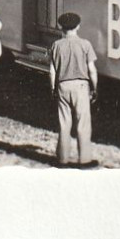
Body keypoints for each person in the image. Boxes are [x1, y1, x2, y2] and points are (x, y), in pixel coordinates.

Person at [48, 10, 99, 167]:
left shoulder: (56, 45)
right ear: (78, 26)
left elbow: (52, 71)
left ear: (61, 27)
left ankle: (62, 160)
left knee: (64, 123)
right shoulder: (85, 44)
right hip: (81, 86)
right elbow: (92, 70)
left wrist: (53, 89)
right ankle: (84, 160)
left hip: (63, 86)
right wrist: (94, 88)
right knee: (83, 123)